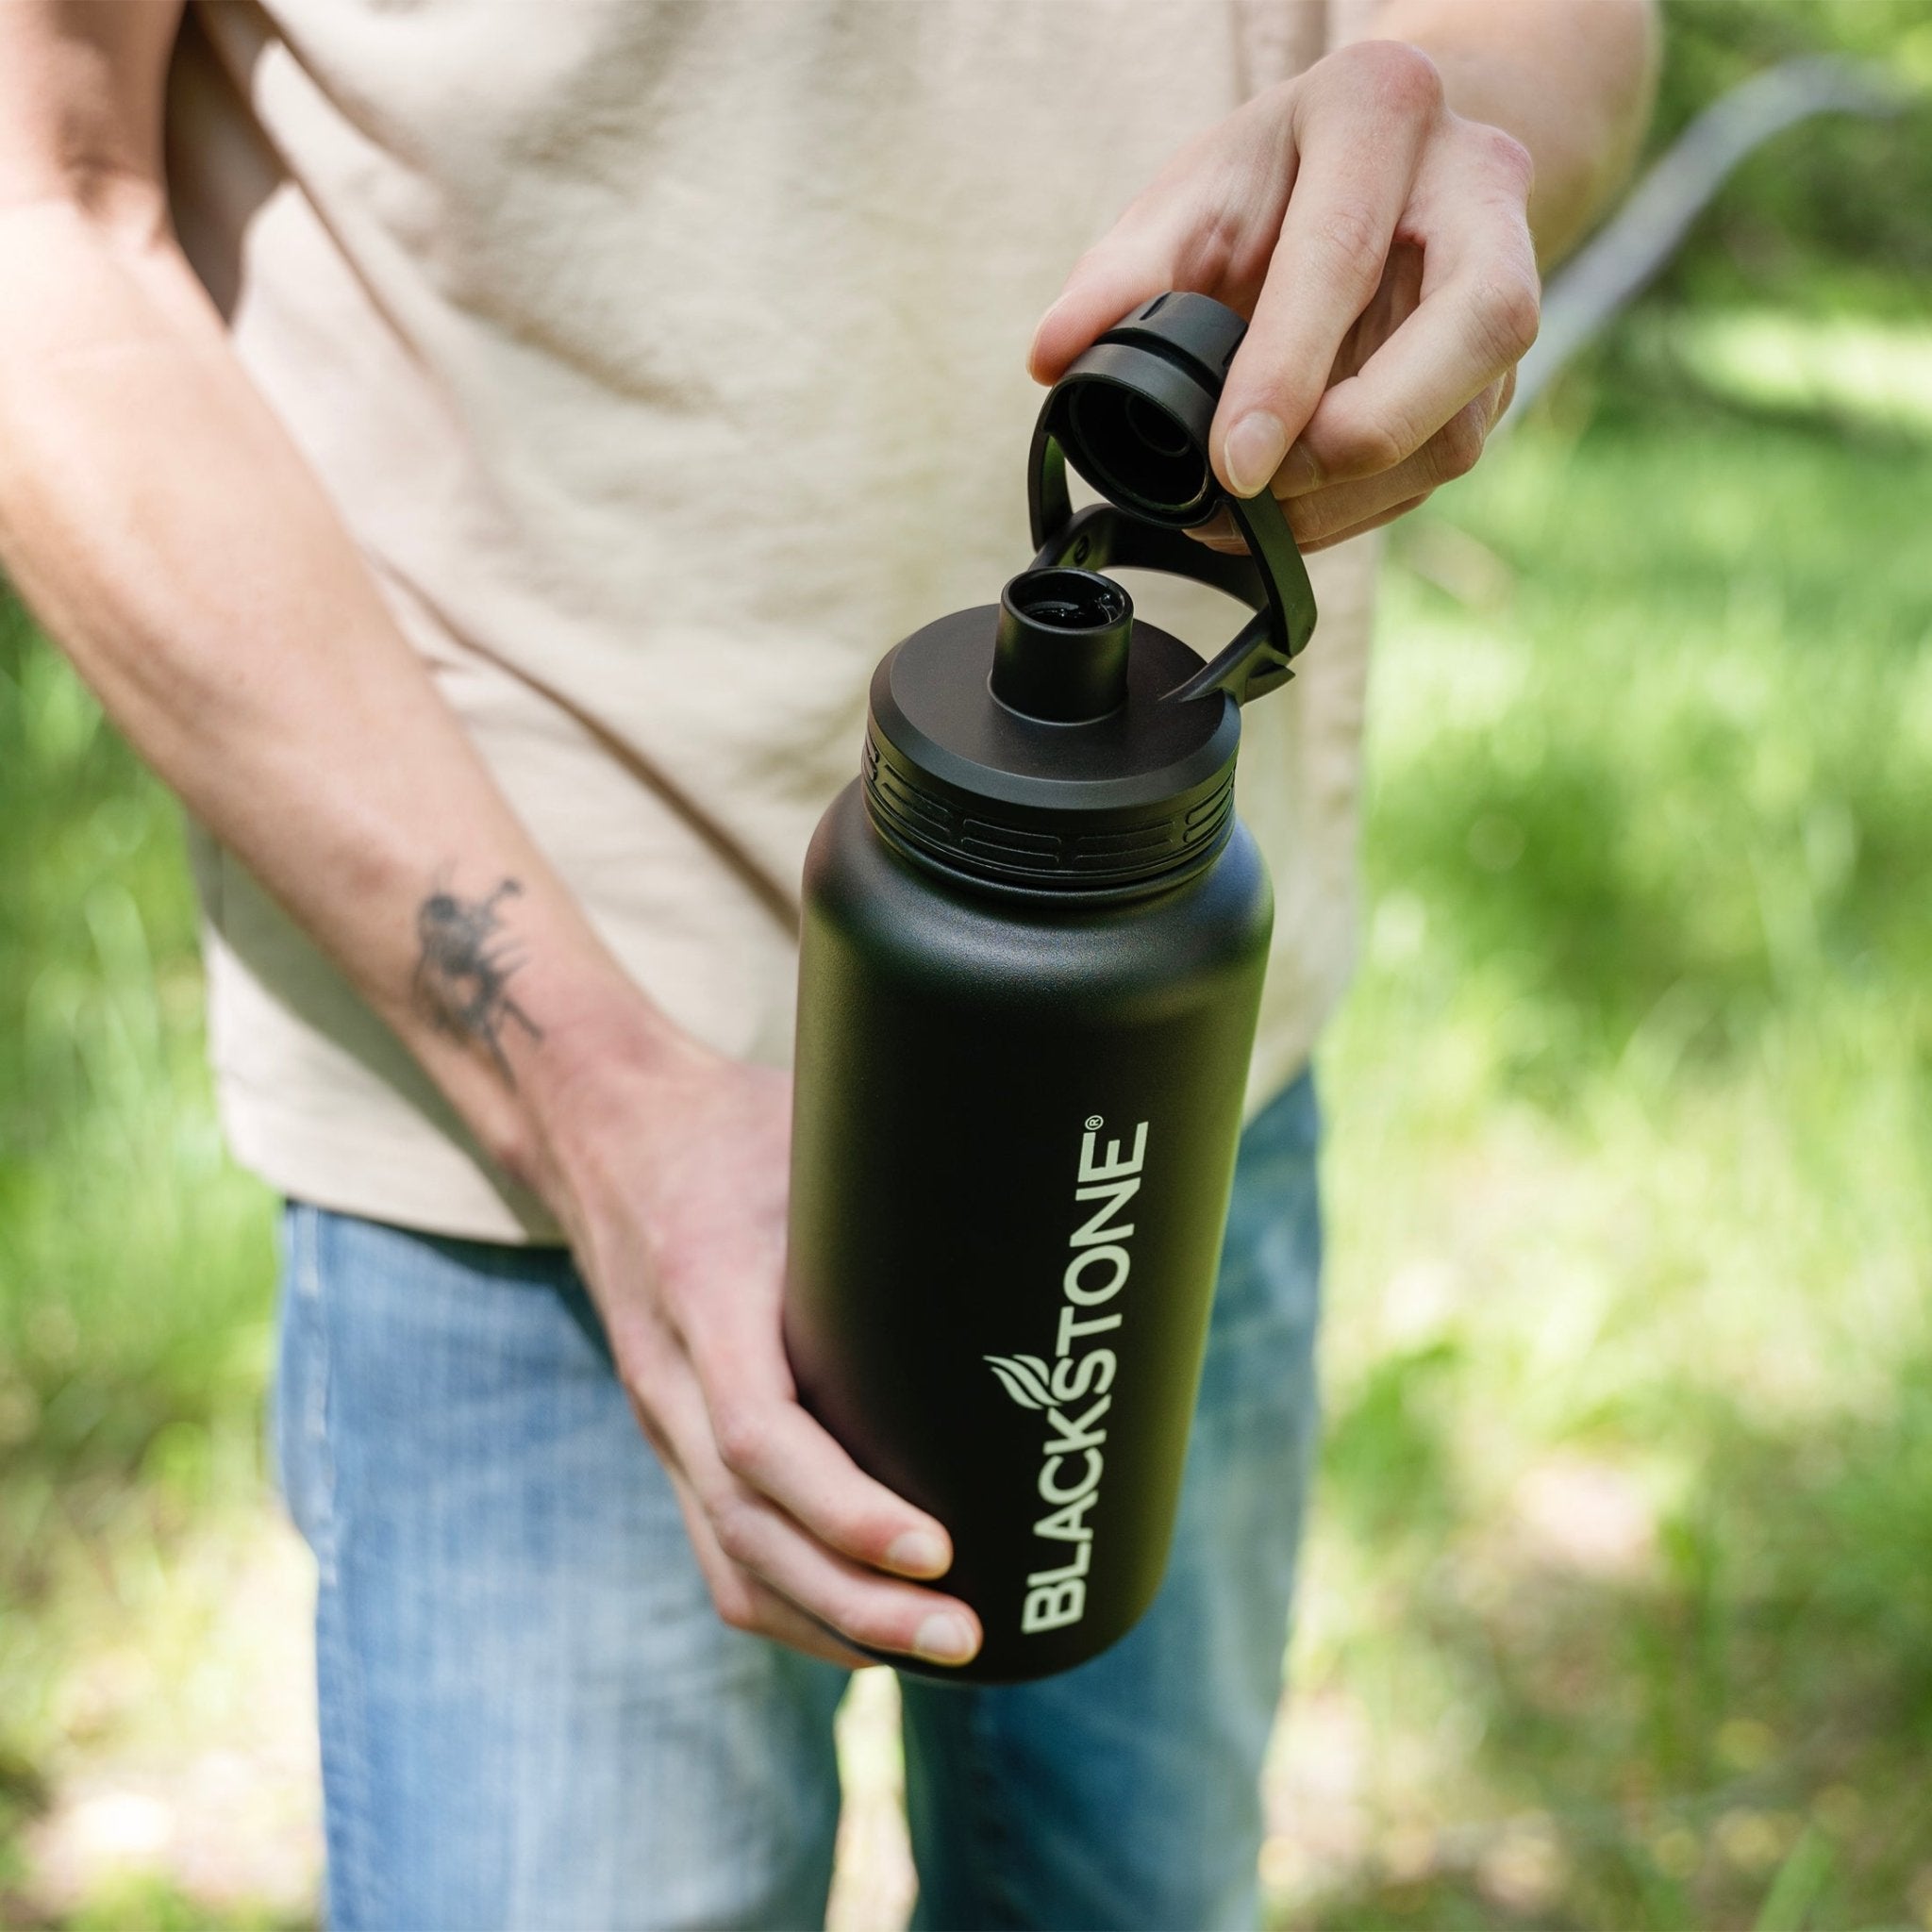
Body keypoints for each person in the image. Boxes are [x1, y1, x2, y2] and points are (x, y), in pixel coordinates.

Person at [0, 1, 1656, 1925]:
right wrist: (591, 1098)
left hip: (1162, 1128)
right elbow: (40, 199)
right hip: (521, 1163)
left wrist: (1453, 139)